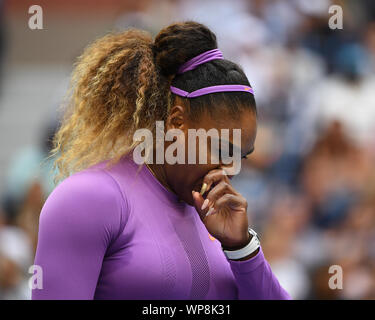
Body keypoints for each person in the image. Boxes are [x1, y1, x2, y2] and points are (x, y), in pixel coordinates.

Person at [32, 21, 291, 300]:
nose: (230, 170)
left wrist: (242, 249)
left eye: (240, 157)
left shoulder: (217, 221)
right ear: (176, 122)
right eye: (220, 150)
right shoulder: (88, 198)